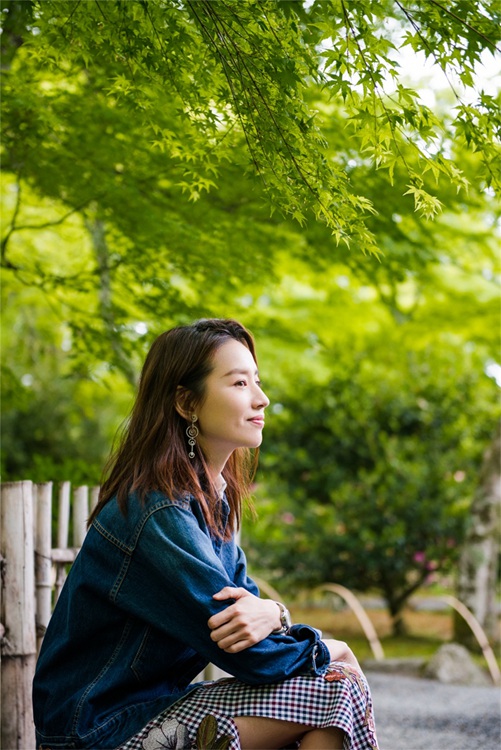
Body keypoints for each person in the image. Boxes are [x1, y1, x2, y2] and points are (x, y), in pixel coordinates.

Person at [33, 319, 379, 750]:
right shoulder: (157, 510)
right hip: (97, 732)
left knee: (332, 687)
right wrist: (329, 648)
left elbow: (254, 621)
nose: (261, 398)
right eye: (239, 383)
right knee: (334, 686)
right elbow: (250, 655)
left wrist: (276, 612)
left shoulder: (209, 503)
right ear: (186, 402)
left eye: (257, 380)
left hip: (152, 711)